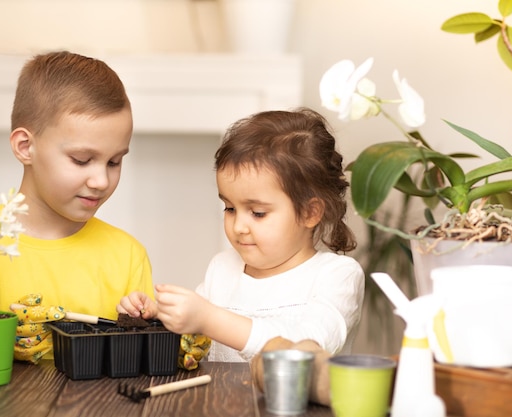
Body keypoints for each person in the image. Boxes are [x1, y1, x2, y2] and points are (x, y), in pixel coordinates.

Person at [0, 51, 154, 362]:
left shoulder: (128, 256)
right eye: (81, 160)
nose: (102, 180)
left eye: (115, 161)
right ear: (26, 147)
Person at [118, 107, 365, 362]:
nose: (238, 226)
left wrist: (208, 319)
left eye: (257, 213)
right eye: (230, 208)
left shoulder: (337, 275)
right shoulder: (222, 268)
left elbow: (306, 349)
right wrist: (158, 316)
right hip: (219, 401)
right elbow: (193, 343)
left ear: (310, 213)